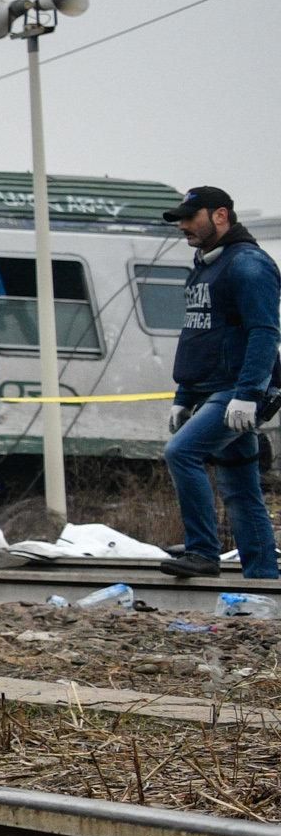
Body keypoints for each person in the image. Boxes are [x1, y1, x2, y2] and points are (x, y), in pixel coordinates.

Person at [160, 183, 279, 581]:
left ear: (221, 215)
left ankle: (202, 552)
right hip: (216, 389)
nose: (183, 226)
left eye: (190, 218)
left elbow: (265, 332)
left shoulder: (248, 265)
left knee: (182, 453)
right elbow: (200, 336)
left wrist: (248, 395)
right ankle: (263, 577)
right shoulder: (207, 264)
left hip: (238, 389)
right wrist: (184, 395)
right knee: (240, 487)